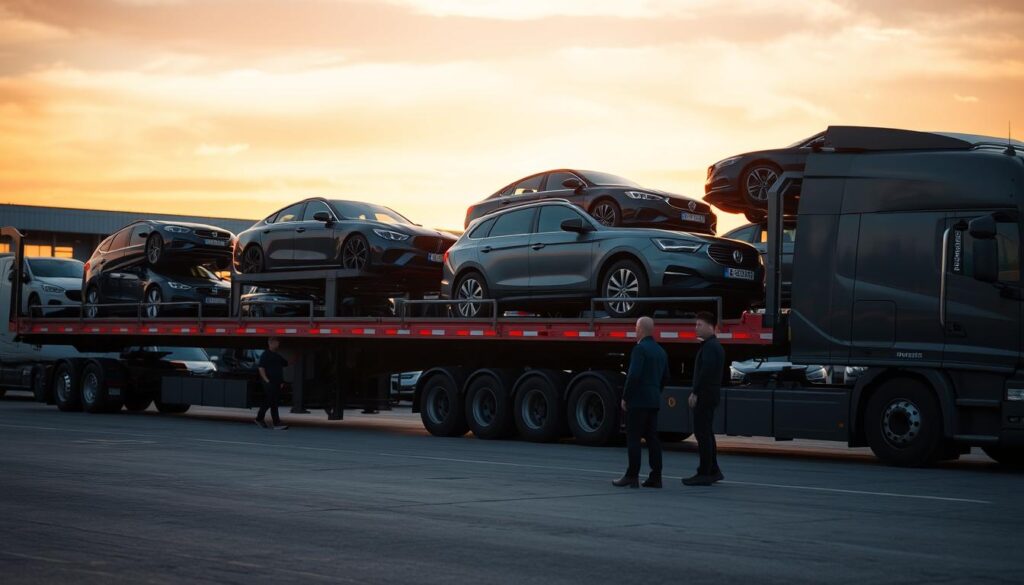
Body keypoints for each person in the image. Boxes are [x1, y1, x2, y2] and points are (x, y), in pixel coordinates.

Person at [613, 316, 669, 489]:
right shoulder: (661, 350)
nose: (635, 331)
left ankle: (632, 476)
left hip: (638, 401)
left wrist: (626, 397)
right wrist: (655, 392)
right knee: (653, 438)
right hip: (653, 400)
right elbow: (666, 377)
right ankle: (656, 476)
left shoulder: (640, 349)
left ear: (640, 330)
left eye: (636, 328)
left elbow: (634, 375)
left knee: (634, 438)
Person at [683, 311, 725, 486]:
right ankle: (713, 470)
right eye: (695, 324)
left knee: (702, 434)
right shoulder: (714, 346)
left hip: (705, 395)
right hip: (710, 394)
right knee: (707, 433)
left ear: (710, 326)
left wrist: (695, 392)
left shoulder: (710, 347)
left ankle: (705, 472)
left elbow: (705, 372)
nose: (696, 328)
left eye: (699, 325)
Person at [255, 337, 289, 430]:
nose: (278, 344)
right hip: (270, 382)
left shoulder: (277, 356)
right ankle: (275, 422)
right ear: (270, 343)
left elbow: (285, 364)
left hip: (277, 383)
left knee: (271, 401)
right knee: (271, 401)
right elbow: (261, 368)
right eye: (276, 342)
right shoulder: (265, 355)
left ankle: (261, 419)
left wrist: (281, 381)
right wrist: (267, 380)